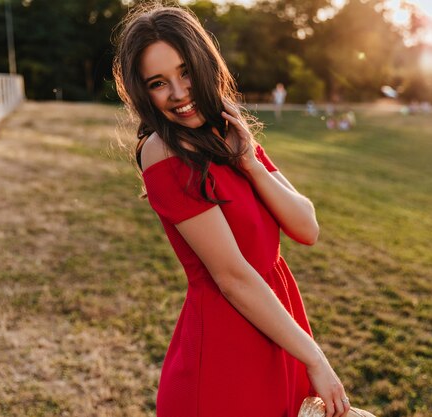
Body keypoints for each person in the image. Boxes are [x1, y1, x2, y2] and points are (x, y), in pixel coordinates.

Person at [113, 5, 350, 417]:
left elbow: (307, 226)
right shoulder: (162, 152)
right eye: (158, 83)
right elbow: (233, 276)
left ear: (204, 63)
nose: (179, 92)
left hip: (278, 326)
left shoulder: (228, 129)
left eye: (185, 71)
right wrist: (315, 358)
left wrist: (251, 163)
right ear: (143, 92)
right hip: (228, 349)